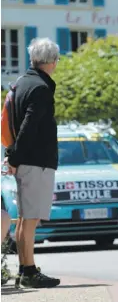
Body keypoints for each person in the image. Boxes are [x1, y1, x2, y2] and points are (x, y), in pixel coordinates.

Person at [3, 37, 60, 288]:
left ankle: (26, 268)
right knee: (31, 218)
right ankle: (29, 271)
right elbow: (29, 125)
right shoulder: (40, 88)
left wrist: (12, 154)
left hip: (26, 160)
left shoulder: (20, 84)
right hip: (35, 161)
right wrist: (16, 155)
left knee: (26, 217)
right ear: (53, 62)